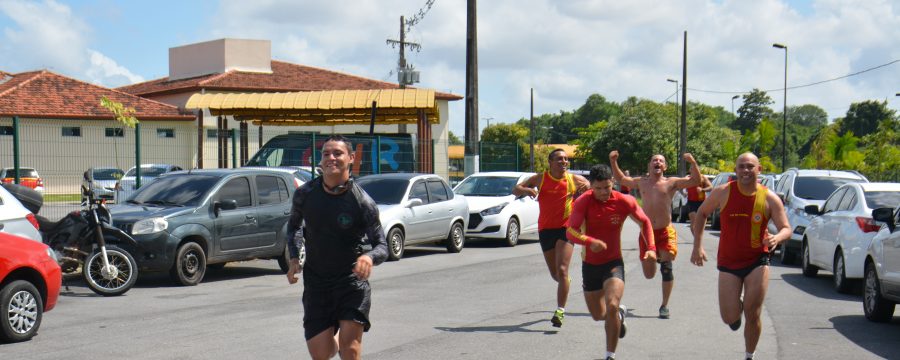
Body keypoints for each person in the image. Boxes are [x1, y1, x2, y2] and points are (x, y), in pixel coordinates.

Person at [285, 135, 389, 360]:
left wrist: (369, 258)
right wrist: (294, 259)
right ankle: (333, 342)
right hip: (317, 284)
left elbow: (382, 245)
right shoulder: (305, 194)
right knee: (321, 355)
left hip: (351, 284)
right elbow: (293, 227)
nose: (331, 158)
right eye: (326, 154)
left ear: (351, 158)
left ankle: (343, 343)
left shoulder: (362, 202)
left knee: (350, 350)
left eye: (337, 153)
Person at [690, 152, 790, 360]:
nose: (746, 170)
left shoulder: (769, 198)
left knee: (753, 313)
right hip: (729, 261)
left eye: (750, 166)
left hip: (757, 260)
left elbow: (786, 228)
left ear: (759, 170)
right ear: (735, 170)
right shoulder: (723, 192)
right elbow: (701, 213)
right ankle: (737, 307)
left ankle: (749, 355)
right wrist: (697, 246)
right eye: (742, 166)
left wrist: (776, 238)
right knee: (729, 317)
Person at [566, 164, 657, 360]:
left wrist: (651, 248)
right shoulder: (583, 201)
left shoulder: (624, 201)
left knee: (613, 304)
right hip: (590, 265)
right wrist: (590, 242)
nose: (603, 192)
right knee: (599, 315)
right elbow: (571, 231)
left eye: (607, 187)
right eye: (598, 188)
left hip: (613, 263)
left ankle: (610, 355)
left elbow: (645, 222)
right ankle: (619, 317)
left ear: (612, 183)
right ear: (591, 186)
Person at [609, 150, 702, 319]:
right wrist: (613, 161)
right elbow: (622, 179)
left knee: (666, 269)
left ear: (664, 166)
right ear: (649, 166)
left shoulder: (671, 182)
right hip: (647, 233)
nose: (657, 162)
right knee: (649, 274)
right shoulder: (642, 182)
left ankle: (664, 306)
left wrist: (693, 163)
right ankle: (655, 257)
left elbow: (696, 180)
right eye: (654, 160)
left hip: (666, 231)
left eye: (661, 160)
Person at [513, 148, 590, 327]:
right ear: (550, 162)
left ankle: (560, 311)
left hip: (566, 229)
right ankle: (565, 283)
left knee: (562, 270)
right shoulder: (541, 178)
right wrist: (527, 190)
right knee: (556, 274)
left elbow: (591, 187)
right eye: (559, 159)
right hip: (546, 230)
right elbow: (515, 189)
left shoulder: (573, 179)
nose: (563, 162)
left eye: (565, 159)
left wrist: (586, 189)